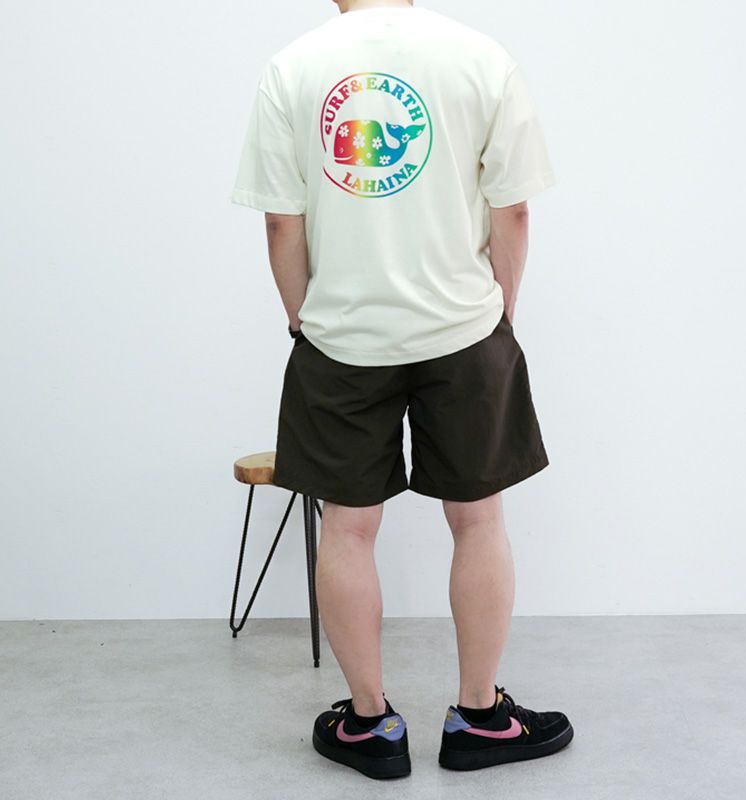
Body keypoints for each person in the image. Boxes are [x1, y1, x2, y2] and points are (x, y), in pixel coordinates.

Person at [230, 0, 573, 780]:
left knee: (348, 530)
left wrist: (305, 319)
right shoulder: (481, 58)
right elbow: (513, 208)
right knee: (478, 519)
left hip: (343, 336)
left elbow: (282, 223)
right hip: (463, 326)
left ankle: (369, 725)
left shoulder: (293, 68)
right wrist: (500, 313)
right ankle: (480, 718)